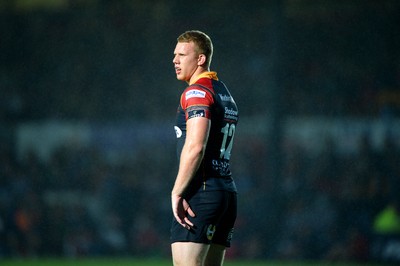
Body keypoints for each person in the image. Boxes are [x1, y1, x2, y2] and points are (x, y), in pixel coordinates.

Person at [170, 30, 239, 266]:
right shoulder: (223, 92)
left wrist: (178, 191)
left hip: (203, 191)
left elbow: (196, 146)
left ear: (200, 59)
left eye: (182, 54)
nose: (175, 60)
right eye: (174, 55)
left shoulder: (197, 91)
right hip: (225, 192)